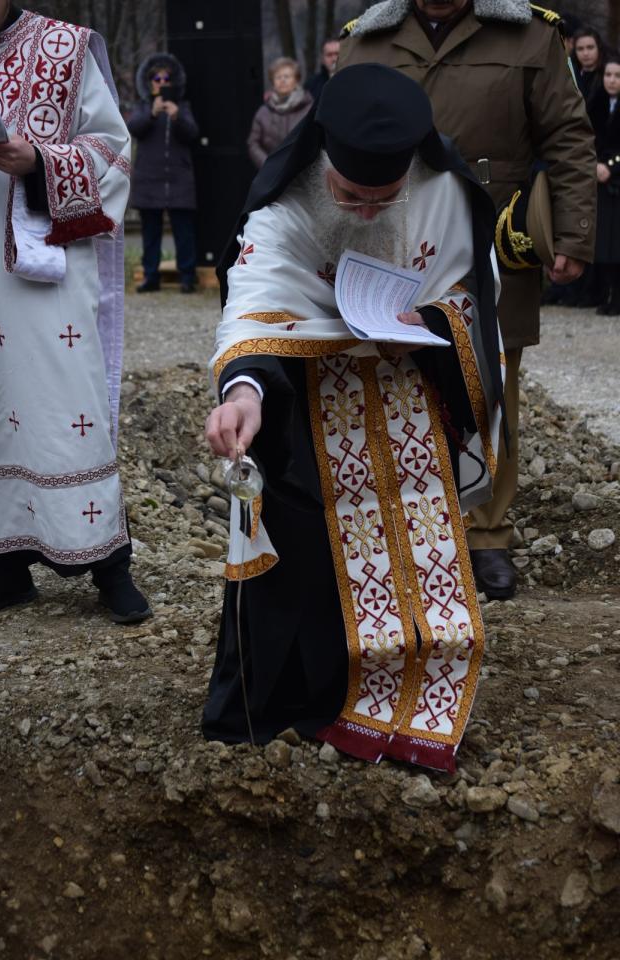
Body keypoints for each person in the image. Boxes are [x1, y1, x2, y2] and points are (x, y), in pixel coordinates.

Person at [203, 64, 505, 772]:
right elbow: (250, 311)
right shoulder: (285, 210)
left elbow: (473, 292)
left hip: (411, 386)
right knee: (303, 529)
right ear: (324, 164)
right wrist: (243, 392)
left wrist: (428, 318)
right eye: (351, 195)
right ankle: (310, 700)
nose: (368, 210)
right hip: (308, 391)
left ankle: (413, 694)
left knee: (417, 537)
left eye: (385, 196)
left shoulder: (446, 195)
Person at [337, 0, 597, 600]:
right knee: (392, 382)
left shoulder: (530, 36)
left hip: (492, 241)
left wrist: (575, 235)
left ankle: (486, 536)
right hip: (392, 240)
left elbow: (568, 137)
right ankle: (404, 528)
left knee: (491, 385)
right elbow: (332, 142)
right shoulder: (366, 40)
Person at [0, 1, 150, 623]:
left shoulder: (65, 47)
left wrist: (42, 162)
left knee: (65, 404)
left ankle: (110, 564)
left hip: (45, 267)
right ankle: (7, 566)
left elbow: (114, 151)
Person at [128, 53, 199, 294]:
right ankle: (151, 276)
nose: (160, 82)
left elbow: (192, 134)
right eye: (155, 78)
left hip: (179, 180)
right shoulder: (143, 106)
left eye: (165, 78)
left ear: (172, 81)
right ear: (149, 82)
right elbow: (133, 129)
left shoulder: (183, 107)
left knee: (183, 232)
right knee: (150, 233)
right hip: (149, 180)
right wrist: (153, 113)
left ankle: (188, 276)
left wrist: (176, 115)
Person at [589, 54, 620, 316]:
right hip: (597, 177)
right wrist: (596, 164)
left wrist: (611, 165)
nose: (612, 80)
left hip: (616, 180)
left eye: (617, 76)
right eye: (609, 75)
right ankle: (606, 292)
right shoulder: (596, 103)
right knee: (605, 242)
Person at [247, 57, 313, 169]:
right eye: (278, 77)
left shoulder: (309, 109)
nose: (282, 80)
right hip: (271, 175)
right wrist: (268, 165)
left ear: (296, 80)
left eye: (287, 76)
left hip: (303, 172)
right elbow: (253, 143)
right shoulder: (263, 112)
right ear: (272, 82)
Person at [573, 27, 606, 105]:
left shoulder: (609, 76)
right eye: (580, 49)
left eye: (590, 47)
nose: (585, 53)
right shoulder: (570, 75)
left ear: (599, 48)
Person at [304, 37, 340, 101]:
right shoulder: (312, 85)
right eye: (329, 55)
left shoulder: (355, 81)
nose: (334, 59)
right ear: (322, 59)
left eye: (337, 54)